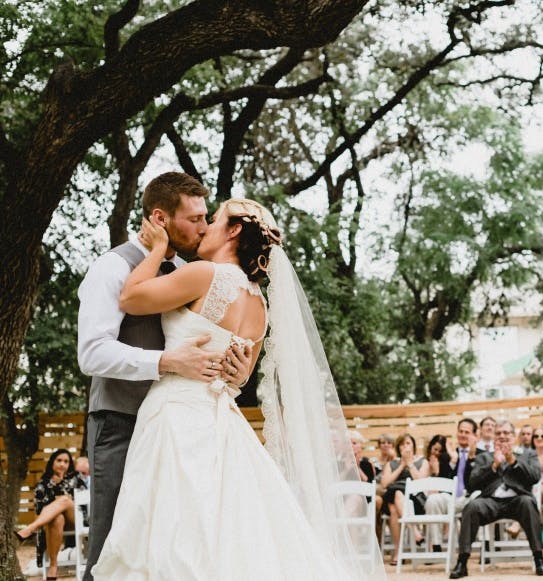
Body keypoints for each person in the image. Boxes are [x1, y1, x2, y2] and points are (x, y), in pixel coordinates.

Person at [90, 198, 383, 579]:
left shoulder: (204, 274)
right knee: (230, 531)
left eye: (213, 220)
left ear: (233, 231)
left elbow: (131, 297)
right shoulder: (259, 305)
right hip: (223, 424)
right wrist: (240, 376)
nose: (205, 227)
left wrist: (159, 248)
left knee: (173, 530)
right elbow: (240, 375)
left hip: (176, 415)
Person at [76, 172, 240, 581]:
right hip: (120, 421)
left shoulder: (190, 271)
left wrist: (235, 368)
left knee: (169, 546)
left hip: (180, 430)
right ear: (160, 219)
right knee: (113, 543)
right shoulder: (111, 267)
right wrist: (165, 363)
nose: (204, 227)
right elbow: (91, 353)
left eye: (207, 218)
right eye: (196, 219)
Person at [449, 420, 543, 578]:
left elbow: (535, 477)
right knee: (472, 507)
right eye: (498, 433)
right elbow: (473, 483)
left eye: (506, 433)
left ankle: (539, 559)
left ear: (513, 436)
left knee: (528, 503)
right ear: (494, 437)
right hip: (491, 501)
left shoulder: (527, 454)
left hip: (518, 500)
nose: (502, 436)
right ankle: (462, 562)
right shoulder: (484, 457)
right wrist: (494, 466)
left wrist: (513, 461)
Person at [15, 449, 86, 579]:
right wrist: (56, 485)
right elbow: (40, 510)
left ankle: (30, 528)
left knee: (64, 500)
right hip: (56, 522)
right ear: (52, 462)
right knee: (57, 518)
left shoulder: (76, 478)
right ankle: (53, 567)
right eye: (59, 460)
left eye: (66, 461)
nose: (62, 464)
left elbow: (84, 502)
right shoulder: (43, 484)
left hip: (77, 518)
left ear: (70, 464)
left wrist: (64, 497)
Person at [424, 418, 478, 552]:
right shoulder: (445, 456)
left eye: (467, 432)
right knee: (433, 500)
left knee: (479, 496)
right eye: (461, 431)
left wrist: (471, 456)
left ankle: (481, 545)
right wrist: (453, 462)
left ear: (474, 435)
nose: (463, 435)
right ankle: (436, 545)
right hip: (450, 498)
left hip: (469, 497)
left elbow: (477, 479)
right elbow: (442, 480)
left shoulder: (480, 455)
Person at [380, 432, 430, 563]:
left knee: (394, 510)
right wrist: (402, 465)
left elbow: (421, 483)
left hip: (415, 499)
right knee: (396, 494)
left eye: (408, 443)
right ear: (398, 448)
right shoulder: (392, 464)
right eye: (402, 444)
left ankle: (397, 552)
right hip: (393, 494)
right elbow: (384, 483)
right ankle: (414, 531)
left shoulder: (422, 461)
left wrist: (410, 464)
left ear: (413, 445)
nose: (405, 446)